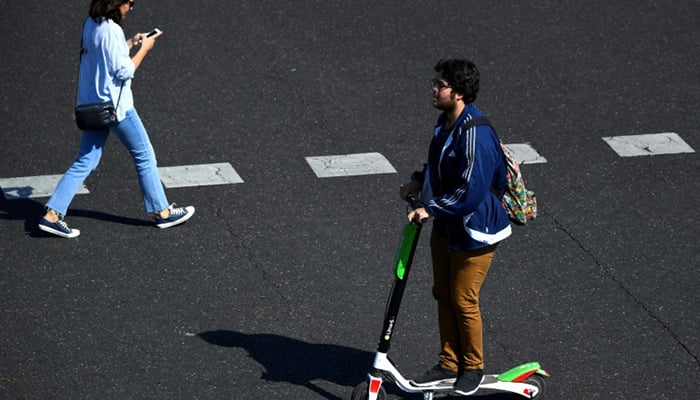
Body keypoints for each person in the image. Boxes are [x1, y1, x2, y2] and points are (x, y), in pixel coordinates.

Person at [399, 59, 512, 396]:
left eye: (441, 84)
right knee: (443, 293)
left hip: (475, 229)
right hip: (449, 225)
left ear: (459, 93)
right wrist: (419, 182)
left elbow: (471, 191)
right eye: (436, 82)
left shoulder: (475, 133)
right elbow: (439, 165)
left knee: (463, 300)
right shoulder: (446, 121)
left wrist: (429, 208)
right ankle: (449, 363)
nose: (434, 89)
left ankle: (473, 367)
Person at [38, 0, 194, 238]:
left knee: (86, 160)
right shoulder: (112, 29)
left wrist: (130, 42)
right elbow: (124, 71)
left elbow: (104, 55)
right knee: (144, 154)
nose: (131, 7)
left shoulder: (91, 23)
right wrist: (145, 49)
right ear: (116, 3)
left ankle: (52, 215)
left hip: (93, 105)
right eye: (129, 3)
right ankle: (163, 213)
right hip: (116, 107)